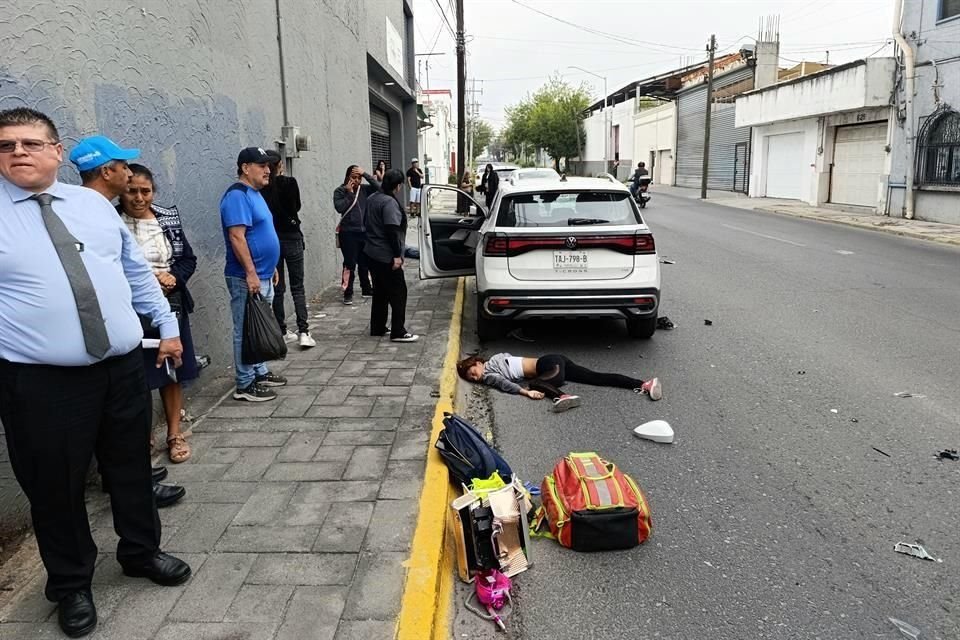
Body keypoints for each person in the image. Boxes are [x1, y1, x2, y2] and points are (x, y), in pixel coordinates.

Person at [0, 108, 191, 638]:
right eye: (6, 145)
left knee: (131, 465)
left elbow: (133, 270)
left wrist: (166, 325)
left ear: (58, 152)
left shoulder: (91, 205)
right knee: (55, 487)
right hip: (42, 382)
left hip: (122, 368)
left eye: (31, 143)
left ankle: (141, 552)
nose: (19, 152)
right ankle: (70, 584)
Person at [71, 138, 186, 505]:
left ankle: (129, 474)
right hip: (102, 332)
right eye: (124, 168)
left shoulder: (100, 211)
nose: (129, 174)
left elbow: (136, 273)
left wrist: (167, 321)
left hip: (126, 324)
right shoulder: (84, 213)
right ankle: (127, 483)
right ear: (108, 172)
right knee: (113, 412)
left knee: (124, 408)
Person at [117, 164, 199, 464]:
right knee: (135, 375)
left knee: (170, 372)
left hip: (169, 307)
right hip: (127, 309)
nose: (139, 198)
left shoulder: (168, 219)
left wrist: (173, 277)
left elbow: (188, 259)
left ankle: (174, 434)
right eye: (132, 191)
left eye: (145, 191)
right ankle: (143, 437)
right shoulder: (111, 220)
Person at [221, 146, 286, 402]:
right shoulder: (237, 196)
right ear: (246, 168)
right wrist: (251, 273)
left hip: (263, 275)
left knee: (258, 326)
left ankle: (259, 372)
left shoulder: (255, 193)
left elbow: (262, 233)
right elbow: (237, 237)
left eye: (268, 165)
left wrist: (272, 268)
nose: (267, 170)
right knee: (245, 329)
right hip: (246, 277)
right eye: (261, 165)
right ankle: (245, 384)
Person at [457, 353, 662, 413]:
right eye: (472, 379)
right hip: (555, 361)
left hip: (549, 365)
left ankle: (561, 396)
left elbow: (503, 383)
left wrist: (525, 392)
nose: (477, 378)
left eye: (473, 372)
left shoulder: (491, 370)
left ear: (478, 363)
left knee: (535, 383)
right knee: (595, 377)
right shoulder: (498, 358)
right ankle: (644, 384)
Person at [260, 150, 315, 348]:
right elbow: (296, 207)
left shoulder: (262, 188)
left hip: (272, 240)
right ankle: (304, 331)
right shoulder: (290, 183)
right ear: (280, 164)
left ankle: (282, 329)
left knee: (278, 287)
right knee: (298, 287)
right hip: (292, 237)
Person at [363, 169, 419, 342]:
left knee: (380, 291)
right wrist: (396, 256)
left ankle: (378, 327)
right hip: (385, 254)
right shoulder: (389, 203)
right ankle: (398, 331)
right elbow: (392, 231)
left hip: (371, 252)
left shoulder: (373, 198)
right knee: (398, 292)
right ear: (398, 186)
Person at [333, 164, 377, 305]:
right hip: (348, 233)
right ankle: (348, 292)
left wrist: (366, 174)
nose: (356, 181)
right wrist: (350, 193)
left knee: (365, 262)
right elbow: (340, 208)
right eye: (353, 177)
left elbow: (380, 188)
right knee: (350, 263)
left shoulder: (364, 190)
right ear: (347, 177)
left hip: (363, 232)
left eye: (359, 178)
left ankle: (366, 288)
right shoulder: (340, 191)